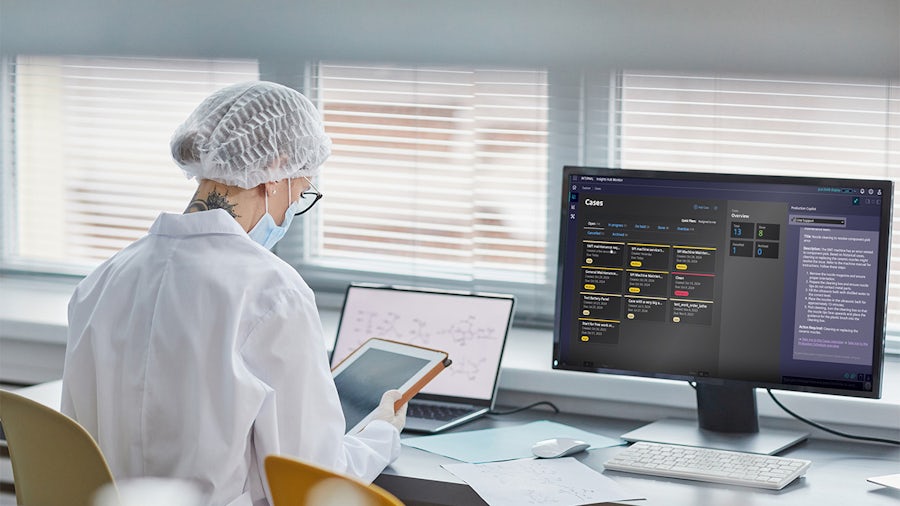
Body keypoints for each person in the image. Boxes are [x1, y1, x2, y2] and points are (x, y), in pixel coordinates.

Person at [60, 81, 407, 506]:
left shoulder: (102, 281)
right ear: (276, 173)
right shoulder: (273, 293)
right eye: (301, 192)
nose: (292, 209)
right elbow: (313, 478)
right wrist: (382, 433)